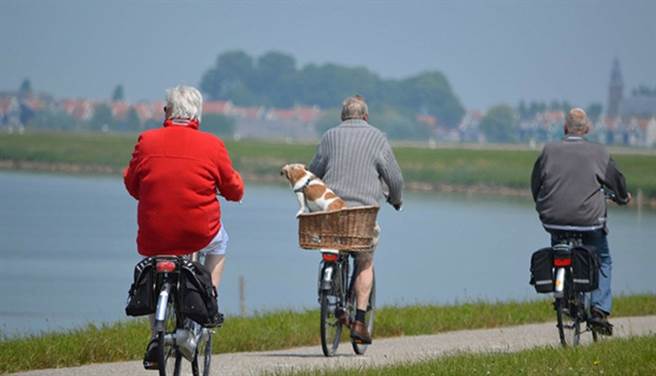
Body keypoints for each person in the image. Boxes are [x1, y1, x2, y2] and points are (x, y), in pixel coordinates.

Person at [124, 85, 244, 368]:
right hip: (198, 231)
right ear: (197, 116)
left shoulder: (146, 140)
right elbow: (234, 189)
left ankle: (157, 335)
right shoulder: (212, 145)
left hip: (154, 234)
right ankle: (208, 301)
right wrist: (230, 189)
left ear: (168, 112)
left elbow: (131, 184)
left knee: (156, 264)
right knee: (220, 243)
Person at [308, 95, 403, 344]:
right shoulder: (378, 138)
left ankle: (332, 294)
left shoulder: (329, 136)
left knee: (333, 248)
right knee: (364, 261)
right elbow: (394, 178)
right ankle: (359, 321)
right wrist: (396, 199)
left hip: (332, 215)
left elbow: (312, 173)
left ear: (342, 116)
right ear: (366, 117)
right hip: (362, 217)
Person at [530, 107, 630, 333]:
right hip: (589, 221)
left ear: (564, 128)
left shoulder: (548, 150)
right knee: (602, 259)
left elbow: (536, 182)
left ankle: (564, 295)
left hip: (554, 218)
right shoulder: (599, 152)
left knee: (559, 249)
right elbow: (617, 182)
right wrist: (623, 198)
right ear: (587, 129)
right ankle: (599, 310)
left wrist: (541, 203)